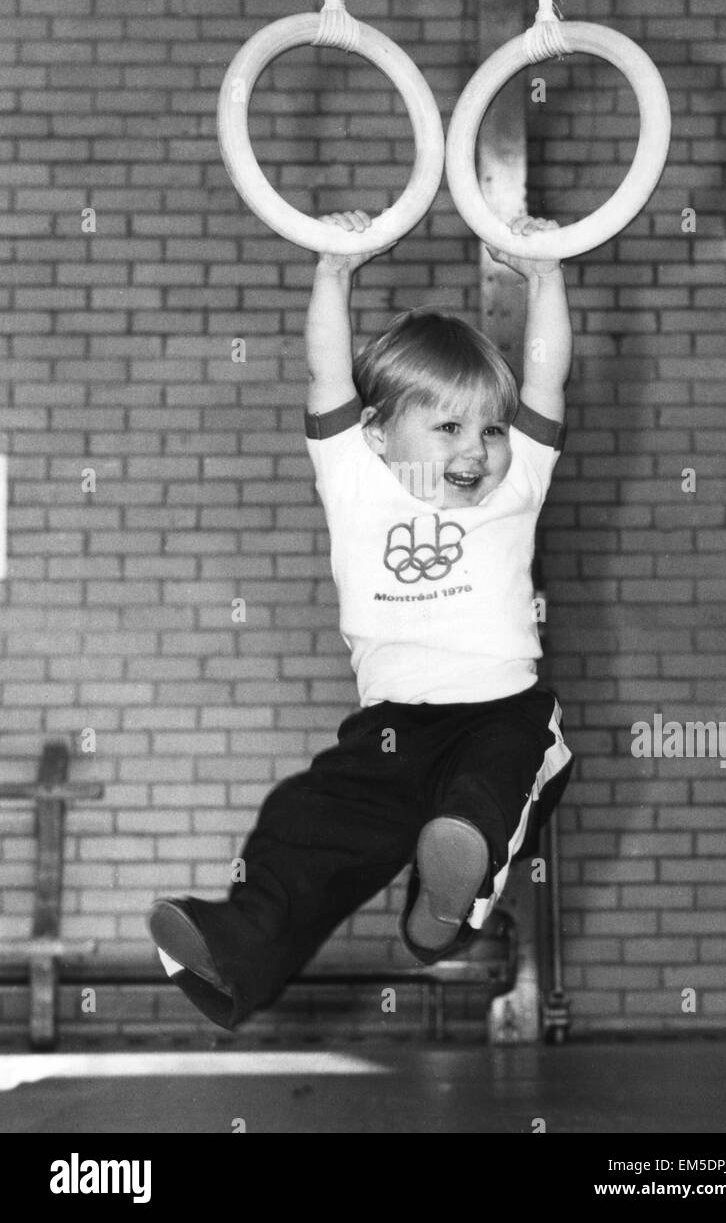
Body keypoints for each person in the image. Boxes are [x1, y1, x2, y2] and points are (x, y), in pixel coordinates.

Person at [148, 212, 575, 1029]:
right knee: (301, 822)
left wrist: (546, 276)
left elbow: (546, 381)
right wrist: (333, 271)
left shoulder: (513, 486)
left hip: (502, 718)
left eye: (489, 428)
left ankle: (442, 904)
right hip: (388, 731)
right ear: (377, 436)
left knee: (478, 803)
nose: (477, 449)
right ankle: (237, 949)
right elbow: (324, 373)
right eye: (447, 426)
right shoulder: (355, 481)